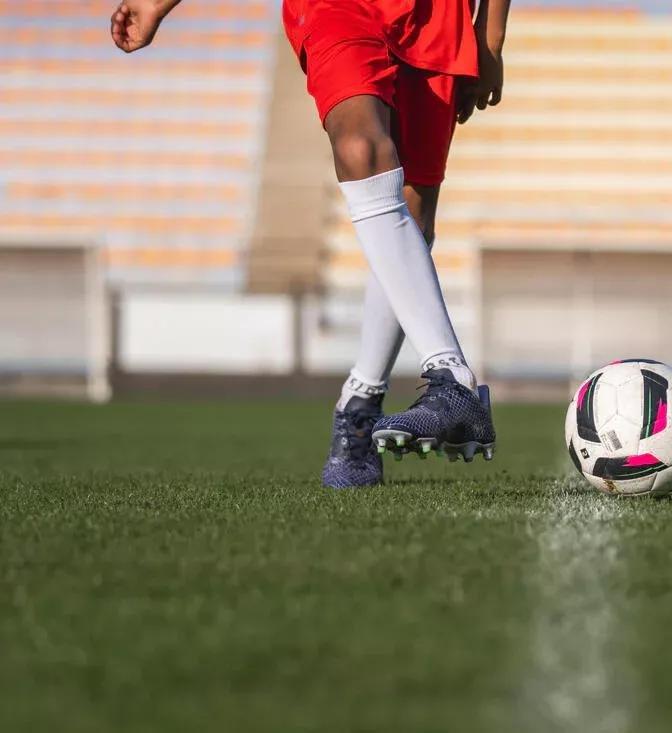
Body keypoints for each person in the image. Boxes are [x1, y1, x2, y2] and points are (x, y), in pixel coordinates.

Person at [110, 0, 511, 487]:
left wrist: (489, 39)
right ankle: (452, 377)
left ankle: (360, 402)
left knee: (413, 217)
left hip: (436, 17)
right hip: (338, 8)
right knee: (361, 148)